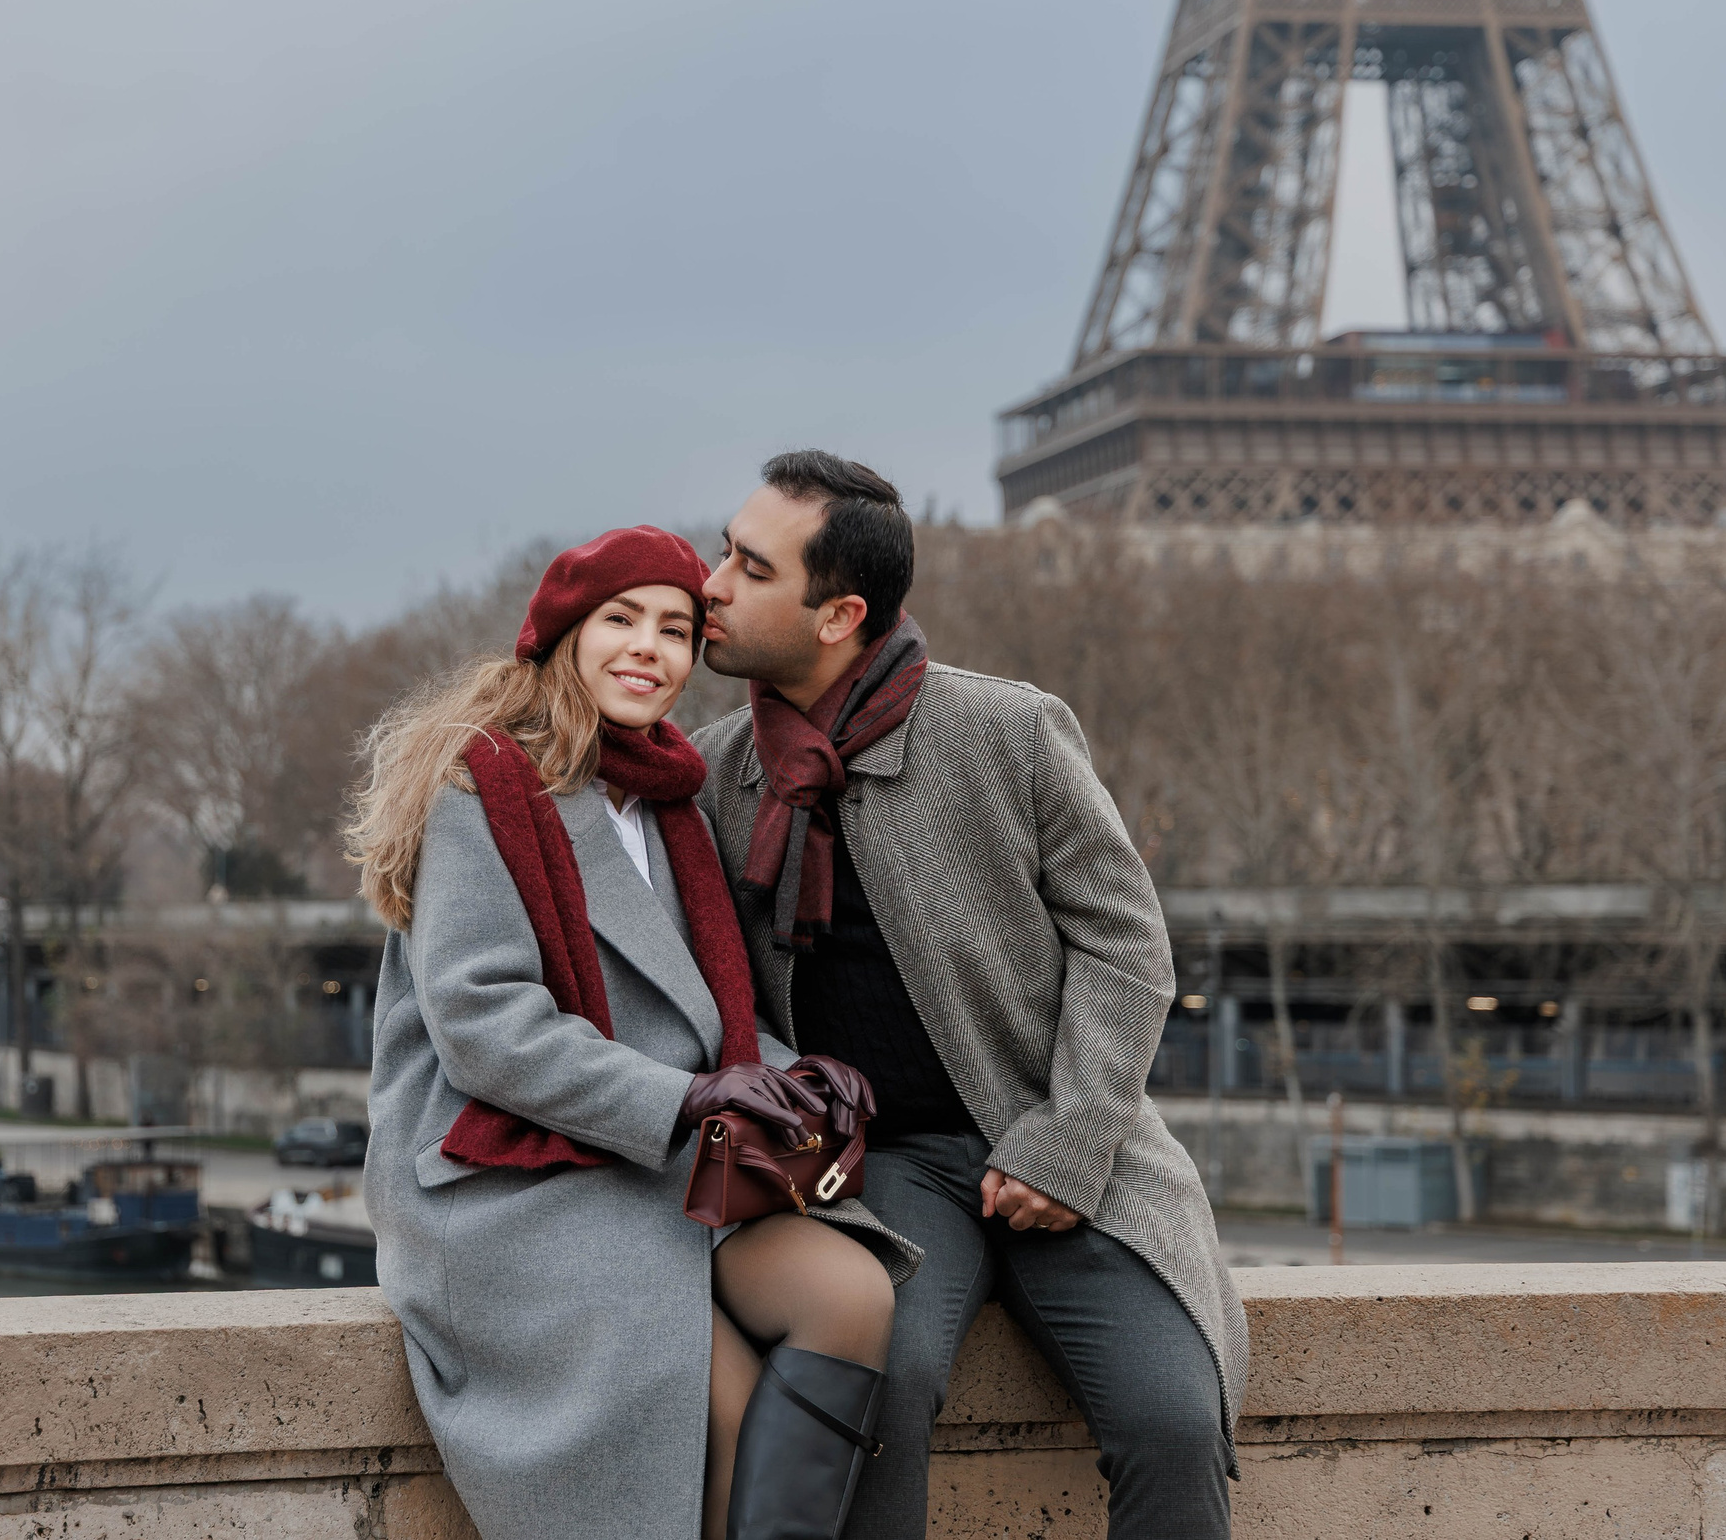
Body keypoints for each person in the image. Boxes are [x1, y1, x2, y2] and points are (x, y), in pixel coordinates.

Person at [694, 453, 1247, 1540]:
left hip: (1068, 1142)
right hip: (879, 1171)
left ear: (838, 615)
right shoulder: (717, 778)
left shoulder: (1008, 730)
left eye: (750, 568)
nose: (710, 584)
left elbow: (1127, 944)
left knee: (1173, 1422)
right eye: (725, 553)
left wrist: (1067, 1140)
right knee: (878, 1391)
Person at [352, 526, 917, 1540]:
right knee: (719, 1410)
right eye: (621, 619)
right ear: (564, 631)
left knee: (851, 1294)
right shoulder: (481, 786)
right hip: (515, 1181)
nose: (648, 648)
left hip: (647, 1161)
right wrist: (687, 1097)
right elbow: (485, 1026)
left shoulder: (668, 804)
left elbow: (703, 1014)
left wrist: (795, 1077)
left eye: (674, 629)